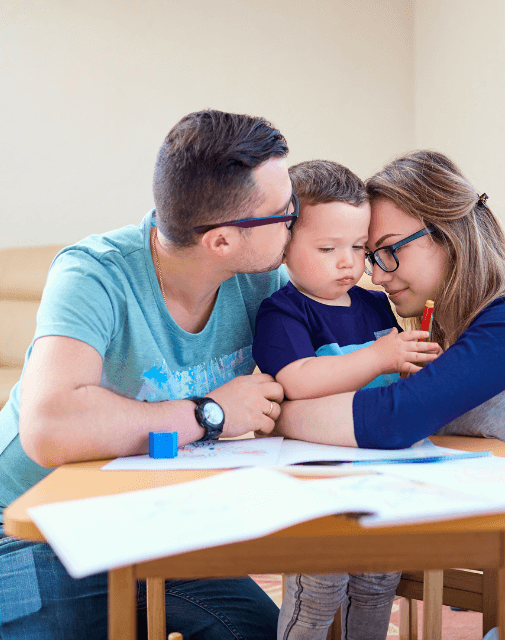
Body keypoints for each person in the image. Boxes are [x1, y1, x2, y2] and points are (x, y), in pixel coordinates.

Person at [275, 150, 505, 640]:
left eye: (385, 251)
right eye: (370, 255)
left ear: (445, 234)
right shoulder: (448, 335)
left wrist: (280, 412)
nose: (376, 275)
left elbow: (392, 420)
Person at [0, 109, 296, 639]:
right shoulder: (94, 273)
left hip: (153, 523)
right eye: (283, 211)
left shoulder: (262, 282)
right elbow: (49, 428)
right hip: (30, 525)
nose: (293, 220)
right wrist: (211, 413)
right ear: (222, 241)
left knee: (260, 631)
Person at [252, 159, 438, 640]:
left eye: (358, 247)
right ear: (284, 245)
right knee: (319, 586)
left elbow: (398, 369)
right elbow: (298, 381)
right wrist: (380, 356)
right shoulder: (282, 310)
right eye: (328, 248)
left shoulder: (377, 304)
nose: (349, 263)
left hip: (383, 466)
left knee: (379, 582)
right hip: (318, 473)